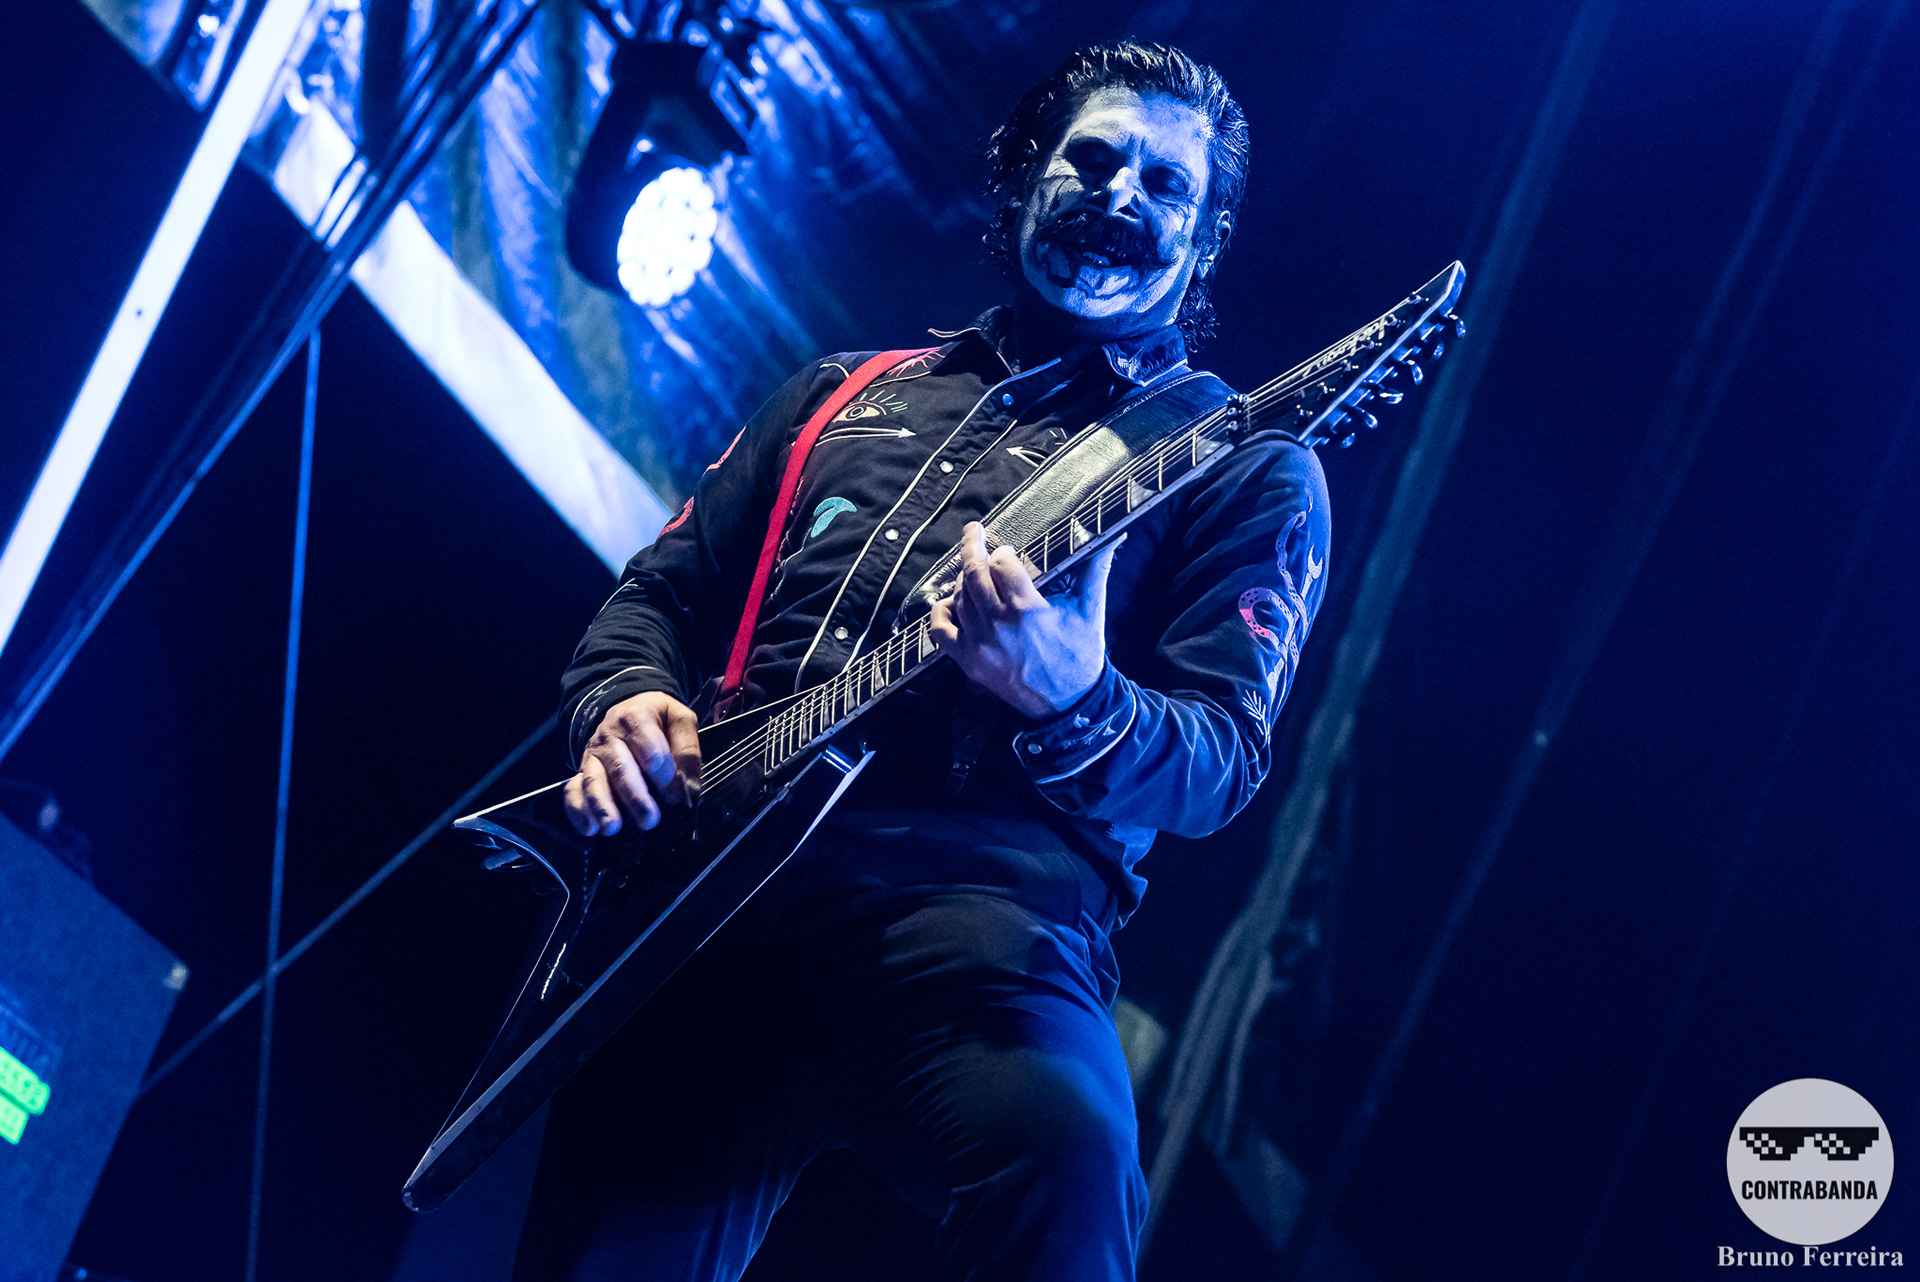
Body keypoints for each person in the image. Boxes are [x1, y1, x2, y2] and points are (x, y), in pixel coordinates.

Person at [514, 39, 1330, 1282]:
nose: (1120, 195)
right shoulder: (841, 392)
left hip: (984, 925)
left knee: (1068, 1161)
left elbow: (1219, 763)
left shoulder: (1245, 464)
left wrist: (1075, 695)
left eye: (1167, 183)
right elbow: (660, 597)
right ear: (1028, 178)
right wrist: (625, 701)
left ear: (1204, 240)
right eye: (1093, 160)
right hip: (712, 891)